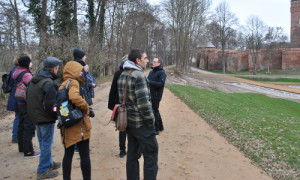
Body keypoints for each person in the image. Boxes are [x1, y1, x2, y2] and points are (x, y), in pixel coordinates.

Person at [118, 49, 158, 180]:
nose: (147, 61)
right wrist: (151, 121)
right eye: (145, 58)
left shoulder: (123, 74)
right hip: (141, 124)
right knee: (151, 155)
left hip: (129, 122)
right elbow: (144, 105)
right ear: (138, 60)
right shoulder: (139, 76)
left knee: (132, 156)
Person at [27, 57, 63, 180]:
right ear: (53, 69)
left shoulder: (35, 79)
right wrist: (57, 115)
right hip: (44, 118)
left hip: (35, 116)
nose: (58, 70)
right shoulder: (49, 83)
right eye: (57, 68)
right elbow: (50, 105)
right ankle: (42, 170)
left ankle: (49, 163)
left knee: (43, 142)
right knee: (47, 143)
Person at [60, 61, 92, 180]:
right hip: (78, 125)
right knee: (84, 155)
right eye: (79, 70)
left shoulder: (63, 84)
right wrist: (86, 107)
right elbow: (74, 97)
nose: (81, 72)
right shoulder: (74, 82)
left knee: (68, 154)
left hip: (67, 124)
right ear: (73, 71)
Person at [12, 55, 39, 157]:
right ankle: (29, 151)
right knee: (29, 125)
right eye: (30, 62)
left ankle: (22, 147)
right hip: (26, 102)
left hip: (19, 101)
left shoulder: (16, 72)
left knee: (21, 124)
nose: (31, 63)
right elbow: (33, 86)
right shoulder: (26, 74)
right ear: (27, 63)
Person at [108, 61, 127, 158]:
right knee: (128, 128)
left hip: (120, 105)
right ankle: (126, 150)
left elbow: (113, 90)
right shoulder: (135, 73)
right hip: (128, 105)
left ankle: (122, 150)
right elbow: (113, 89)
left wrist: (112, 106)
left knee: (122, 127)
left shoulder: (118, 73)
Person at [6, 54, 24, 143]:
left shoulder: (13, 70)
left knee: (18, 116)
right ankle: (16, 136)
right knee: (19, 116)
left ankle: (16, 135)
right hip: (18, 95)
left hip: (14, 95)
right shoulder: (18, 70)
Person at [147, 57, 167, 134]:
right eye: (153, 61)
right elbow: (147, 82)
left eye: (154, 62)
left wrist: (149, 82)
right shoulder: (151, 72)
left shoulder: (162, 73)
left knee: (154, 111)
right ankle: (160, 127)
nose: (153, 62)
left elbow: (161, 84)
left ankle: (156, 129)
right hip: (150, 94)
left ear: (159, 63)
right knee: (155, 110)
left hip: (156, 95)